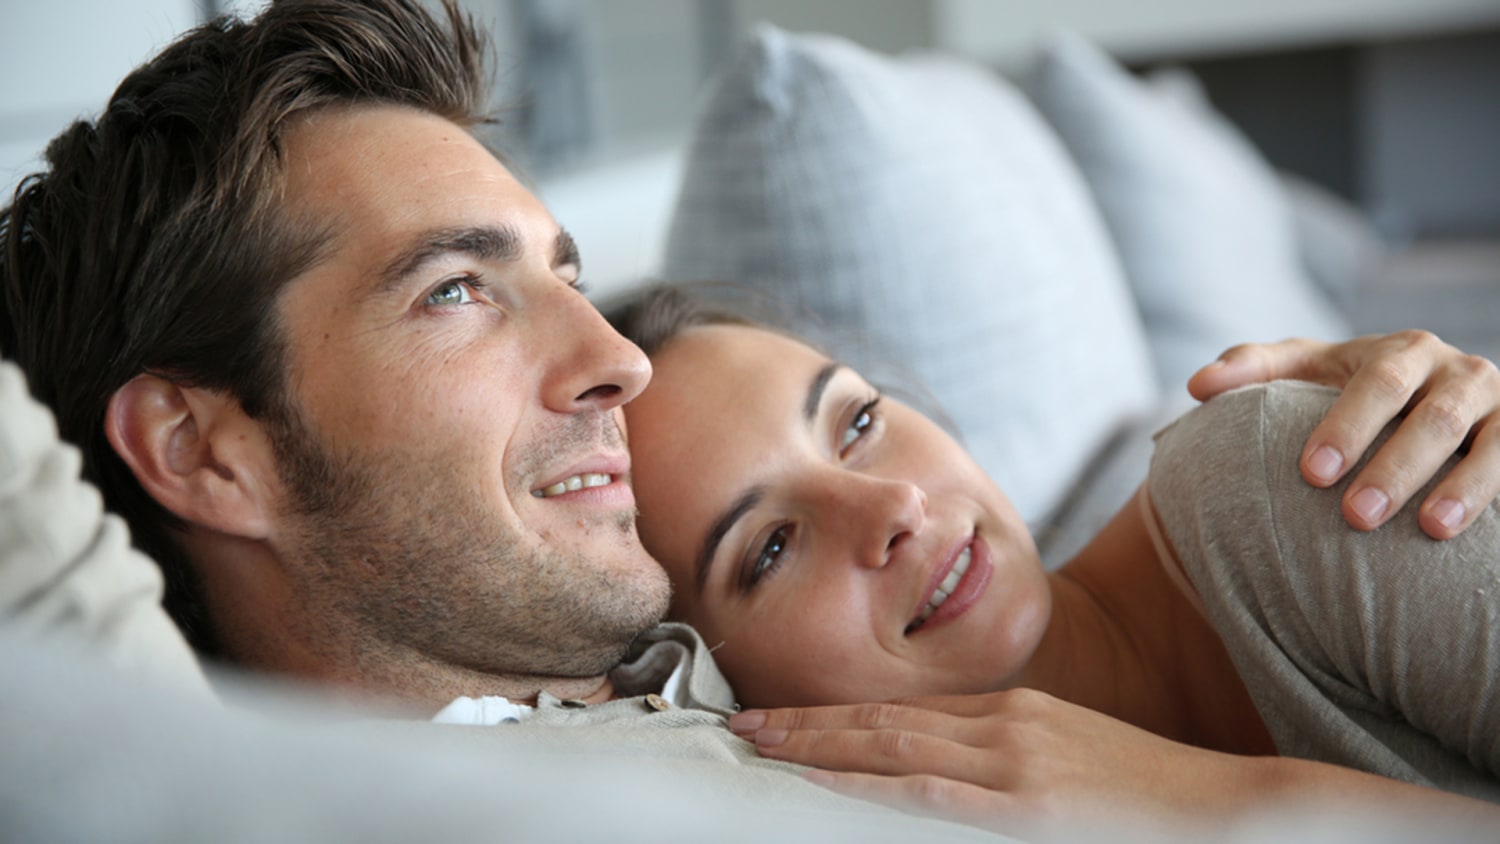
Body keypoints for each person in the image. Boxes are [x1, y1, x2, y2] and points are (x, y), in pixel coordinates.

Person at [1, 0, 1497, 835]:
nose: (612, 363)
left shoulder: (743, 706)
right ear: (207, 451)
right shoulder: (214, 791)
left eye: (566, 275)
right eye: (457, 290)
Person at [615, 285, 1500, 835]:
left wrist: (1208, 802)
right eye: (770, 548)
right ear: (718, 682)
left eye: (857, 423)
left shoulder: (1289, 482)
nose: (894, 508)